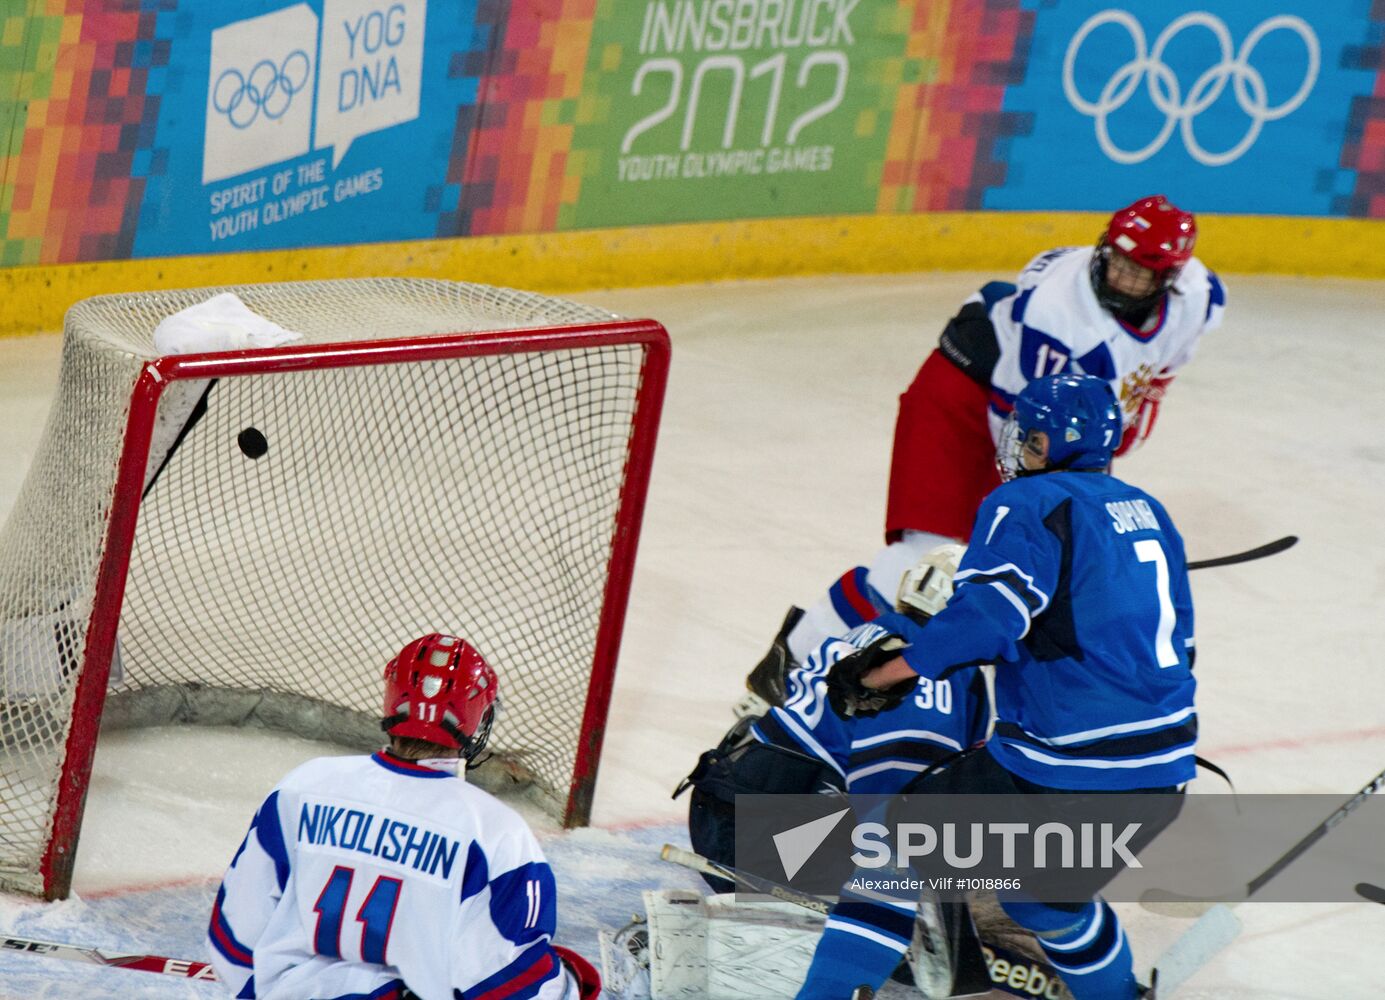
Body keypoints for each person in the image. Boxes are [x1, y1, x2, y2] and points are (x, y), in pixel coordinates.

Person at [746, 195, 1222, 708]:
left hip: (1046, 424)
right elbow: (1019, 432)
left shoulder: (1200, 294)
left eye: (1138, 273)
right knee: (923, 558)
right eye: (1118, 262)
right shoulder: (1058, 317)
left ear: (1170, 278)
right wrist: (1063, 531)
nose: (1120, 278)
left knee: (1004, 563)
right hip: (966, 401)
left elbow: (1156, 375)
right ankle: (787, 666)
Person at [811, 373, 1194, 1000]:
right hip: (1160, 775)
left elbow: (990, 619)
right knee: (1045, 902)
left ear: (1054, 444)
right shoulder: (1147, 510)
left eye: (1032, 437)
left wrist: (887, 670)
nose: (1021, 447)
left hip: (1057, 773)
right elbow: (1176, 647)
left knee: (890, 856)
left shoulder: (1026, 503)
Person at [207, 633, 601, 1000]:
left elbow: (236, 932)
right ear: (477, 719)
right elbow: (509, 981)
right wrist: (574, 982)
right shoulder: (494, 832)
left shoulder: (303, 787)